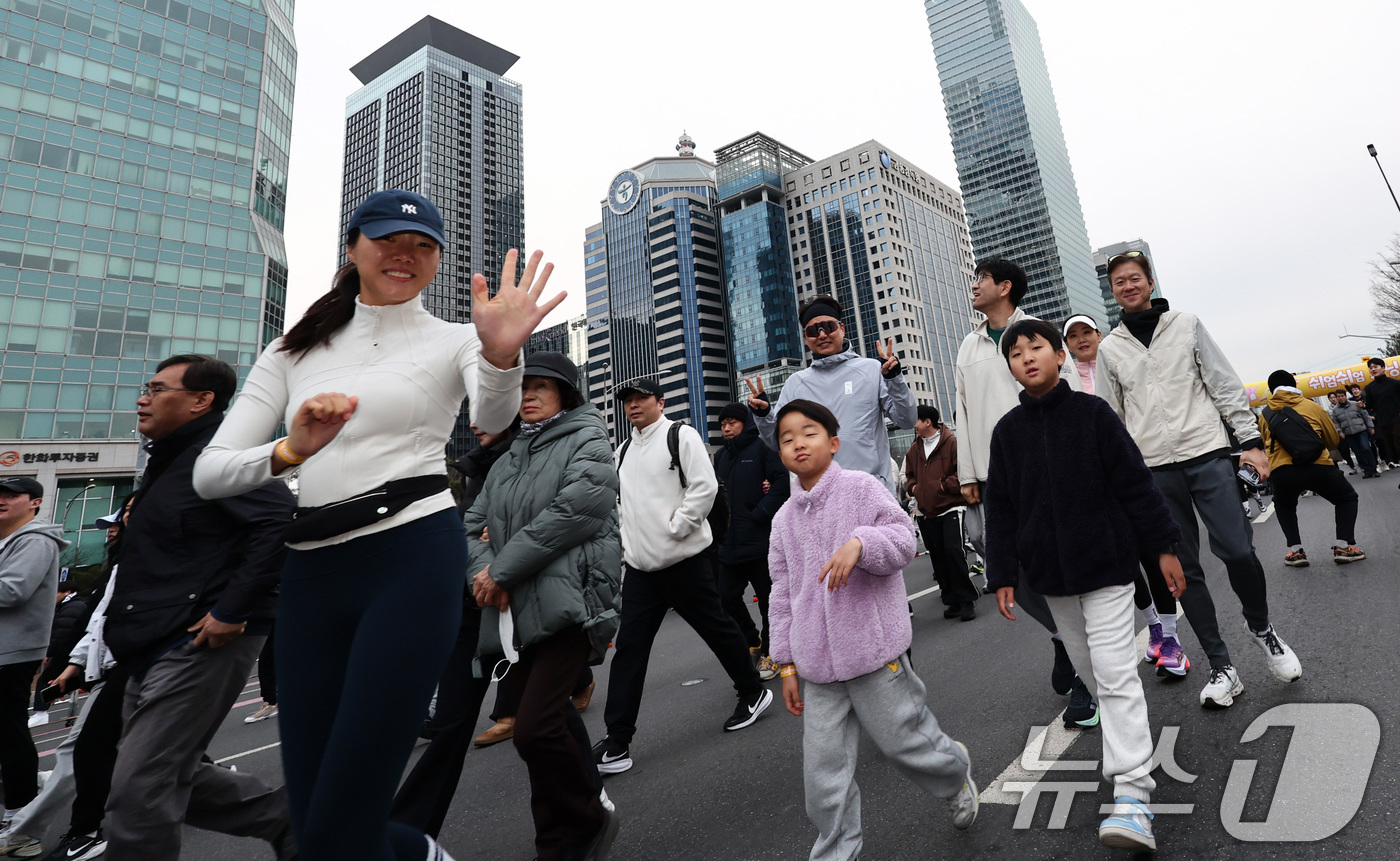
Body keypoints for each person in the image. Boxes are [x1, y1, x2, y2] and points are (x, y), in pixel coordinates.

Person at [193, 190, 560, 861]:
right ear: (354, 246)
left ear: (438, 261)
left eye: (423, 246)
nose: (405, 254)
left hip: (411, 556)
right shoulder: (291, 350)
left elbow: (495, 418)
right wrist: (291, 450)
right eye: (389, 238)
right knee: (319, 824)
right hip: (310, 571)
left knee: (339, 824)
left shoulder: (456, 341)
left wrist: (503, 357)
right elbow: (210, 473)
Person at [985, 319, 1186, 853]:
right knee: (1095, 675)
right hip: (1051, 579)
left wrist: (1164, 547)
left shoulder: (1093, 415)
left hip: (1108, 568)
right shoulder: (1006, 432)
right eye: (1016, 353)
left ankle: (1133, 794)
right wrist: (1001, 572)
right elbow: (1000, 509)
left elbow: (1136, 484)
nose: (1027, 358)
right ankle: (1132, 751)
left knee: (1117, 673)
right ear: (1010, 367)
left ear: (1058, 356)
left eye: (1036, 348)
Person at [97, 354, 296, 861]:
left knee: (140, 789)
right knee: (165, 776)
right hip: (148, 641)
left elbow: (277, 520)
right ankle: (297, 823)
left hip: (199, 637)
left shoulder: (215, 455)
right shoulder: (166, 461)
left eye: (158, 388)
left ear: (201, 400)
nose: (143, 397)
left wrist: (232, 610)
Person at [768, 399, 978, 861]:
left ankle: (954, 774)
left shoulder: (861, 489)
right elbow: (782, 595)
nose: (798, 443)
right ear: (780, 454)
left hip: (874, 654)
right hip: (818, 669)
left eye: (809, 432)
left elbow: (904, 539)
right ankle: (836, 850)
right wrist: (784, 664)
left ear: (834, 442)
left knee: (909, 745)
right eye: (787, 438)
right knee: (822, 774)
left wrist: (861, 543)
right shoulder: (782, 521)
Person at [1096, 250, 1302, 708]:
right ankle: (1221, 667)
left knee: (1237, 549)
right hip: (1152, 471)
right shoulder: (1110, 348)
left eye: (1134, 278)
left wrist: (1249, 441)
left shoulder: (1186, 325)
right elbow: (1111, 417)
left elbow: (1224, 384)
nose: (1127, 287)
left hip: (1207, 454)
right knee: (1182, 573)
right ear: (1112, 293)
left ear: (1149, 282)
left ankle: (1263, 630)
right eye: (1118, 283)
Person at [466, 351, 621, 861]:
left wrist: (502, 567)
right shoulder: (511, 455)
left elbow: (576, 511)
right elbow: (472, 525)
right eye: (522, 387)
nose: (528, 395)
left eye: (541, 387)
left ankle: (589, 819)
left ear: (566, 394)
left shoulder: (589, 438)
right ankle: (555, 842)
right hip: (515, 610)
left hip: (571, 601)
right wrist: (484, 573)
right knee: (546, 725)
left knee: (533, 729)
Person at [593, 380, 772, 777]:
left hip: (684, 561)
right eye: (628, 401)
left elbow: (704, 487)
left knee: (718, 629)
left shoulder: (680, 435)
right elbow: (620, 503)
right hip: (640, 570)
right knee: (629, 652)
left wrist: (677, 527)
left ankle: (752, 691)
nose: (633, 406)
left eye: (641, 398)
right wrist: (626, 546)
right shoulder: (622, 451)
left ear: (661, 402)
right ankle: (617, 740)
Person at [952, 257, 1095, 726]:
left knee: (1060, 564)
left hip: (1047, 466)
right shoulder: (968, 346)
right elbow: (964, 412)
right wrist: (968, 474)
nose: (974, 286)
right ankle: (1062, 638)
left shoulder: (1037, 332)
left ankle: (1085, 678)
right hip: (996, 476)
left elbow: (1070, 392)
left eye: (982, 279)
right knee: (1006, 568)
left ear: (1005, 286)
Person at [1063, 316, 1186, 676]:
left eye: (1088, 332)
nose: (1082, 340)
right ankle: (1153, 628)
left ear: (1100, 335)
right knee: (1125, 564)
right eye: (1074, 335)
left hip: (1135, 473)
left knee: (1154, 554)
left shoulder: (1122, 365)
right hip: (1096, 487)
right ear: (1065, 347)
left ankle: (1172, 639)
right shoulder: (1066, 382)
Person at [744, 294, 916, 494]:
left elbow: (907, 420)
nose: (822, 335)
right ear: (806, 338)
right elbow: (777, 442)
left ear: (842, 328)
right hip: (818, 498)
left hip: (870, 493)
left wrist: (894, 379)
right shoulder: (795, 383)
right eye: (813, 331)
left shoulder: (871, 369)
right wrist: (764, 415)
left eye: (828, 326)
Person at [0, 477, 68, 831]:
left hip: (11, 652)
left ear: (35, 503)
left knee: (9, 732)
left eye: (13, 495)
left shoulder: (36, 541)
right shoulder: (8, 541)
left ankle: (20, 816)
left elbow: (13, 590)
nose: (3, 501)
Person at [713, 402, 791, 678]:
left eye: (732, 422)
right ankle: (752, 642)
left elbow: (782, 485)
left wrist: (760, 514)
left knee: (770, 600)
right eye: (723, 424)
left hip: (761, 542)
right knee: (724, 598)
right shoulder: (720, 456)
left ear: (744, 423)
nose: (726, 427)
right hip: (729, 544)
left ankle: (773, 653)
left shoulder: (763, 449)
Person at [1259, 372, 1365, 567]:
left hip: (1283, 471)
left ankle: (1296, 551)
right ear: (1294, 385)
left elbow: (1266, 444)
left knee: (1284, 505)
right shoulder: (1312, 406)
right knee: (1346, 498)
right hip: (1318, 466)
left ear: (1271, 389)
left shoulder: (1266, 414)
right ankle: (1343, 546)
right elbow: (1333, 440)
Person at [903, 406, 978, 621]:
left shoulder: (951, 442)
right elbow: (909, 476)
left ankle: (966, 600)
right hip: (926, 511)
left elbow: (962, 471)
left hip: (951, 506)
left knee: (954, 551)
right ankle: (951, 599)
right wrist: (913, 488)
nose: (912, 424)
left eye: (915, 419)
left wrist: (943, 487)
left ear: (927, 421)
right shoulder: (913, 449)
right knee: (938, 557)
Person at [26, 584, 90, 728]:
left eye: (56, 593)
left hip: (68, 652)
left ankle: (41, 714)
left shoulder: (71, 608)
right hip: (72, 651)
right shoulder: (69, 606)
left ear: (67, 592)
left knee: (46, 680)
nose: (53, 597)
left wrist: (49, 652)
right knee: (63, 680)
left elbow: (61, 634)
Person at [1330, 389, 1379, 478]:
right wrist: (1340, 432)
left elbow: (1366, 416)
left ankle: (1374, 469)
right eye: (1338, 397)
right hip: (1349, 433)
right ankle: (1367, 470)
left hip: (1361, 430)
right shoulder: (1335, 410)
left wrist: (1371, 427)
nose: (1341, 398)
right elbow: (1335, 423)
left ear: (1345, 396)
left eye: (1342, 396)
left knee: (1366, 448)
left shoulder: (1355, 404)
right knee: (1358, 452)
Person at [1364, 357, 1400, 472]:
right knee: (1392, 451)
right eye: (1371, 368)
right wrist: (1363, 405)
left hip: (1397, 419)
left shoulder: (1395, 383)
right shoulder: (1369, 388)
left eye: (1376, 367)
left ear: (1383, 368)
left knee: (1399, 446)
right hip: (1383, 422)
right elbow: (1369, 405)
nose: (1373, 369)